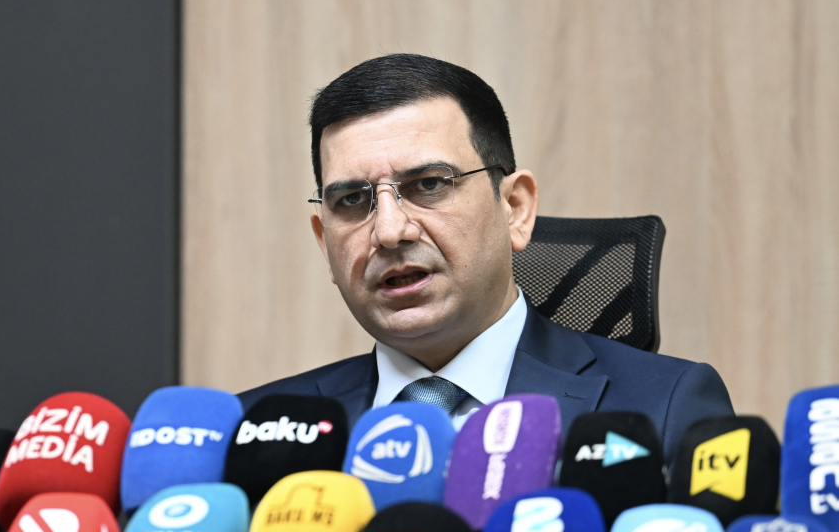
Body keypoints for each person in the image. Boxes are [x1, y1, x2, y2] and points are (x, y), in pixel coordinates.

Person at [238, 54, 733, 460]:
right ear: (325, 243)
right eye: (351, 200)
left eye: (428, 185)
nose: (388, 232)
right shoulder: (253, 434)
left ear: (515, 208)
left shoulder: (666, 410)